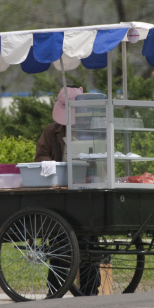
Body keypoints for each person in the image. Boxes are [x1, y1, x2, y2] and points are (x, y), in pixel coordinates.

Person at [35, 86, 100, 296]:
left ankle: (90, 290)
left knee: (89, 243)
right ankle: (55, 290)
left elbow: (100, 157)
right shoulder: (50, 131)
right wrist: (52, 166)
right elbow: (40, 156)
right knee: (59, 242)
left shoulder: (90, 130)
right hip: (60, 194)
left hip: (86, 192)